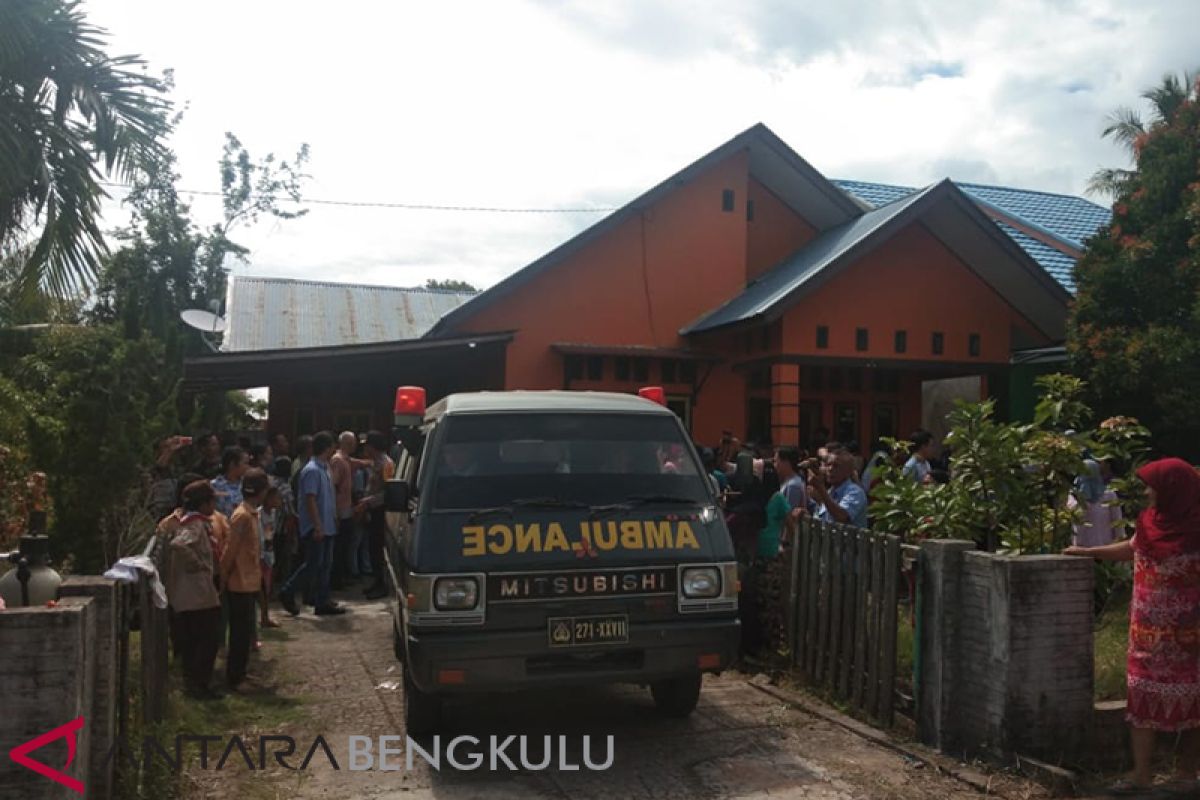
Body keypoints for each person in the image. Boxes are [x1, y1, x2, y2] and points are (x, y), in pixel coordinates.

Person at [1065, 458, 1200, 794]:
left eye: (1151, 484)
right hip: (1145, 636)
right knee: (1140, 701)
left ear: (1172, 489)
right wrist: (1088, 552)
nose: (1145, 491)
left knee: (1194, 705)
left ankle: (1186, 774)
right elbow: (1132, 548)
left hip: (1190, 638)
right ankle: (1141, 775)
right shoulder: (1150, 522)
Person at [164, 480, 223, 699]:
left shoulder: (194, 522)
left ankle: (195, 684)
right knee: (207, 639)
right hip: (197, 594)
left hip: (193, 594)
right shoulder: (194, 525)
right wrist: (196, 563)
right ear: (204, 503)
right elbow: (179, 545)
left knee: (195, 641)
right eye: (212, 500)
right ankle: (199, 685)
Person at [279, 432, 344, 616]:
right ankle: (288, 590)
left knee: (325, 565)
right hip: (317, 526)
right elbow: (310, 499)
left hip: (327, 525)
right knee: (313, 564)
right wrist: (317, 525)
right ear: (327, 447)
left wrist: (333, 518)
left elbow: (328, 498)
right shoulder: (312, 470)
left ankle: (322, 601)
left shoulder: (325, 469)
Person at [221, 468, 268, 690]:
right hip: (238, 581)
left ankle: (241, 672)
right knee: (239, 634)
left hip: (249, 579)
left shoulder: (251, 513)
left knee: (246, 631)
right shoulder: (241, 516)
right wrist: (223, 577)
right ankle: (235, 678)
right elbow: (230, 550)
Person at [358, 431, 396, 600]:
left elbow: (388, 493)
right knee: (372, 548)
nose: (365, 448)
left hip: (380, 511)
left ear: (373, 446)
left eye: (367, 445)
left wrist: (368, 502)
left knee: (378, 549)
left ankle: (382, 584)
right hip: (372, 510)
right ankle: (376, 581)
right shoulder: (375, 463)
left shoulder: (385, 464)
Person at [806, 449, 869, 528]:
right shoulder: (830, 492)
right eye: (828, 465)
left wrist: (821, 489)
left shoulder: (855, 492)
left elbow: (842, 517)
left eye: (836, 466)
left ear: (848, 471)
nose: (830, 469)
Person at [1067, 459, 1123, 547]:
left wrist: (1119, 544)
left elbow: (1118, 522)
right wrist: (1083, 498)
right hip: (1081, 548)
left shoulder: (1109, 494)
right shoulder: (1073, 495)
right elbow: (1074, 515)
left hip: (1104, 548)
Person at [211, 446, 249, 519]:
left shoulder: (247, 484)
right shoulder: (214, 486)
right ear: (232, 464)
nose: (247, 467)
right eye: (245, 463)